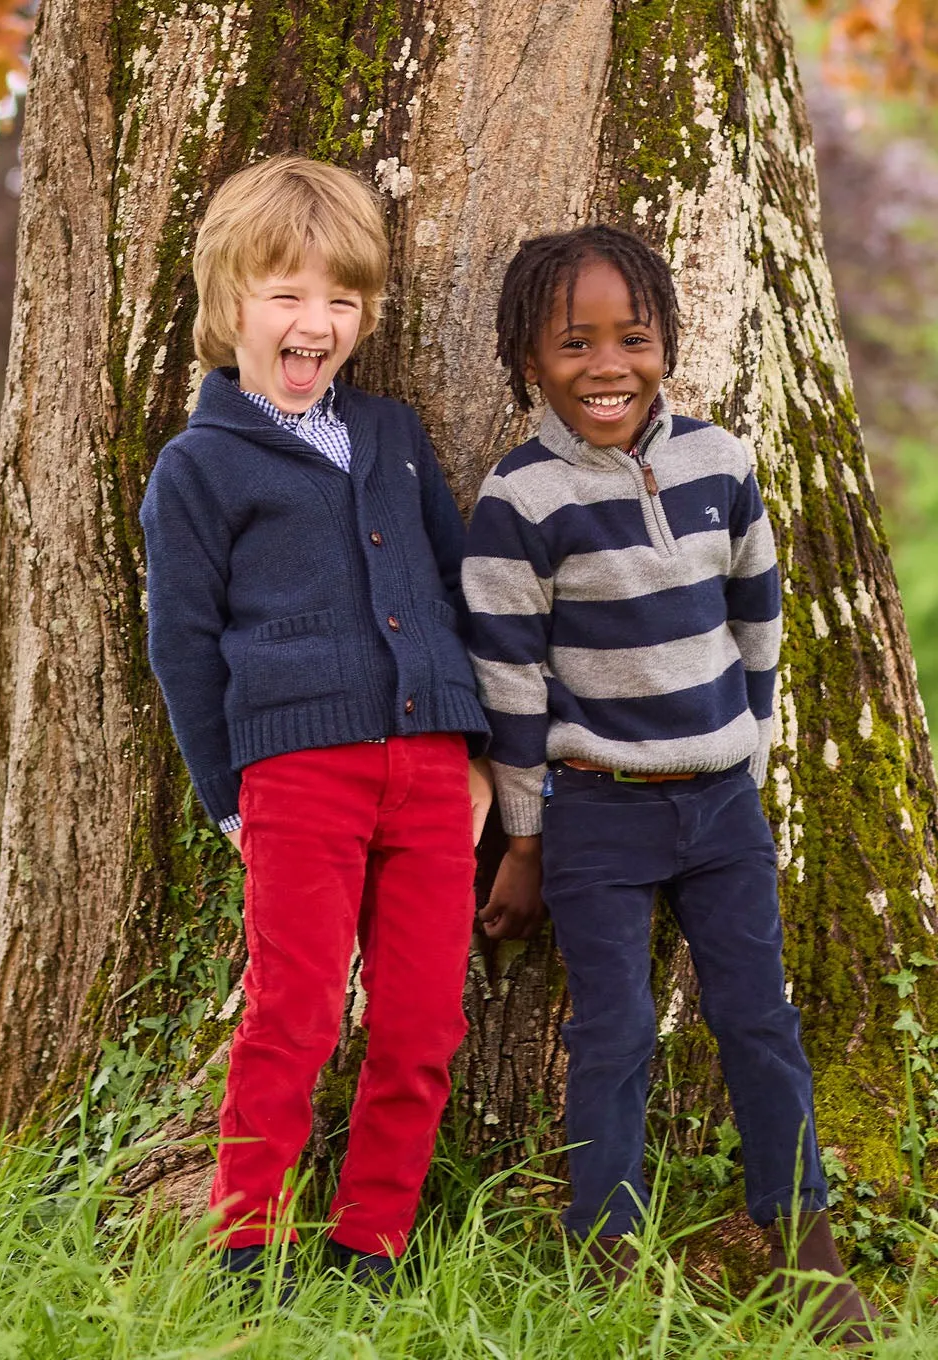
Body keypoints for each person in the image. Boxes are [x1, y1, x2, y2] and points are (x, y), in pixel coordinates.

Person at [462, 224, 879, 1342]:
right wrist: (524, 840)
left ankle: (804, 1242)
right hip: (594, 804)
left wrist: (749, 745)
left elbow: (758, 621)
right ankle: (605, 1256)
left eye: (632, 337)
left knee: (759, 1019)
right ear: (527, 357)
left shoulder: (721, 463)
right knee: (615, 1032)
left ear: (667, 343)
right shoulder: (519, 500)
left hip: (719, 803)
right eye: (574, 343)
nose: (608, 364)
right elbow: (511, 683)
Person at [140, 155, 491, 1297]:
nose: (316, 322)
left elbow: (446, 579)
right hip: (296, 776)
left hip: (433, 771)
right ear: (229, 301)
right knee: (292, 1013)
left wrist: (474, 746)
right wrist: (229, 798)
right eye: (286, 295)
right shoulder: (198, 466)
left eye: (341, 299)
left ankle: (372, 1240)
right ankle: (249, 1239)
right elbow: (183, 646)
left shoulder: (388, 433)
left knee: (423, 1019)